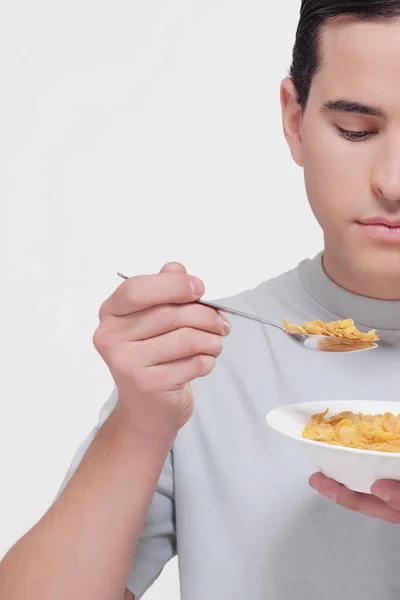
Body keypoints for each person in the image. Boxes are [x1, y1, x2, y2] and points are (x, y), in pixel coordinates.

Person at [3, 0, 400, 598]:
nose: (393, 181)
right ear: (294, 120)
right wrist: (141, 424)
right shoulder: (203, 362)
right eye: (356, 131)